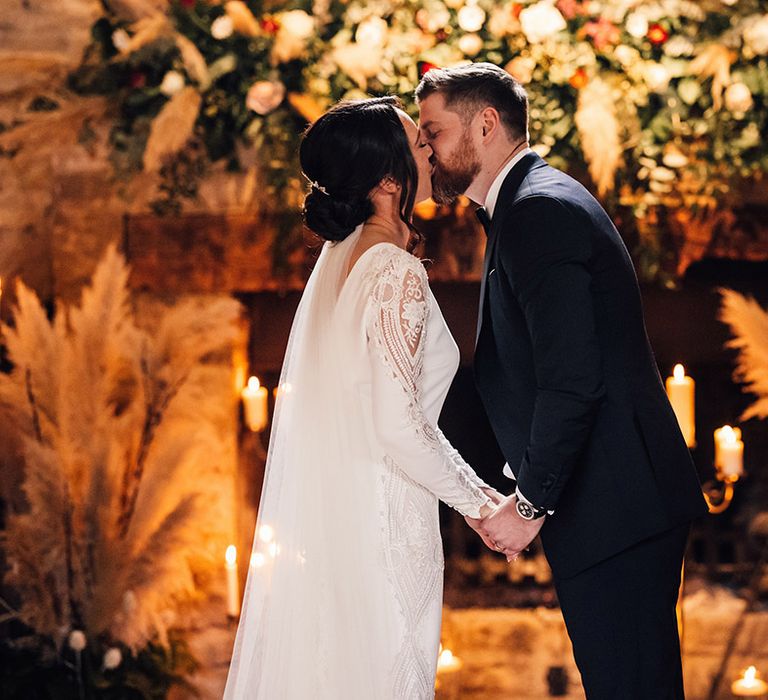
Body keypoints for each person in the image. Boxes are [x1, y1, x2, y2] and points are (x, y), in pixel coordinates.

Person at [415, 62, 709, 699]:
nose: (424, 148)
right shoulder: (531, 203)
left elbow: (573, 380)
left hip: (617, 504)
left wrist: (529, 507)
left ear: (486, 124)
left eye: (433, 131)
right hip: (615, 500)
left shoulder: (538, 211)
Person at [223, 95, 499, 699]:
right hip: (386, 519)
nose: (431, 149)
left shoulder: (346, 258)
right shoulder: (392, 270)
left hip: (352, 511)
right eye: (419, 144)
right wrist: (483, 506)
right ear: (384, 178)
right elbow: (398, 424)